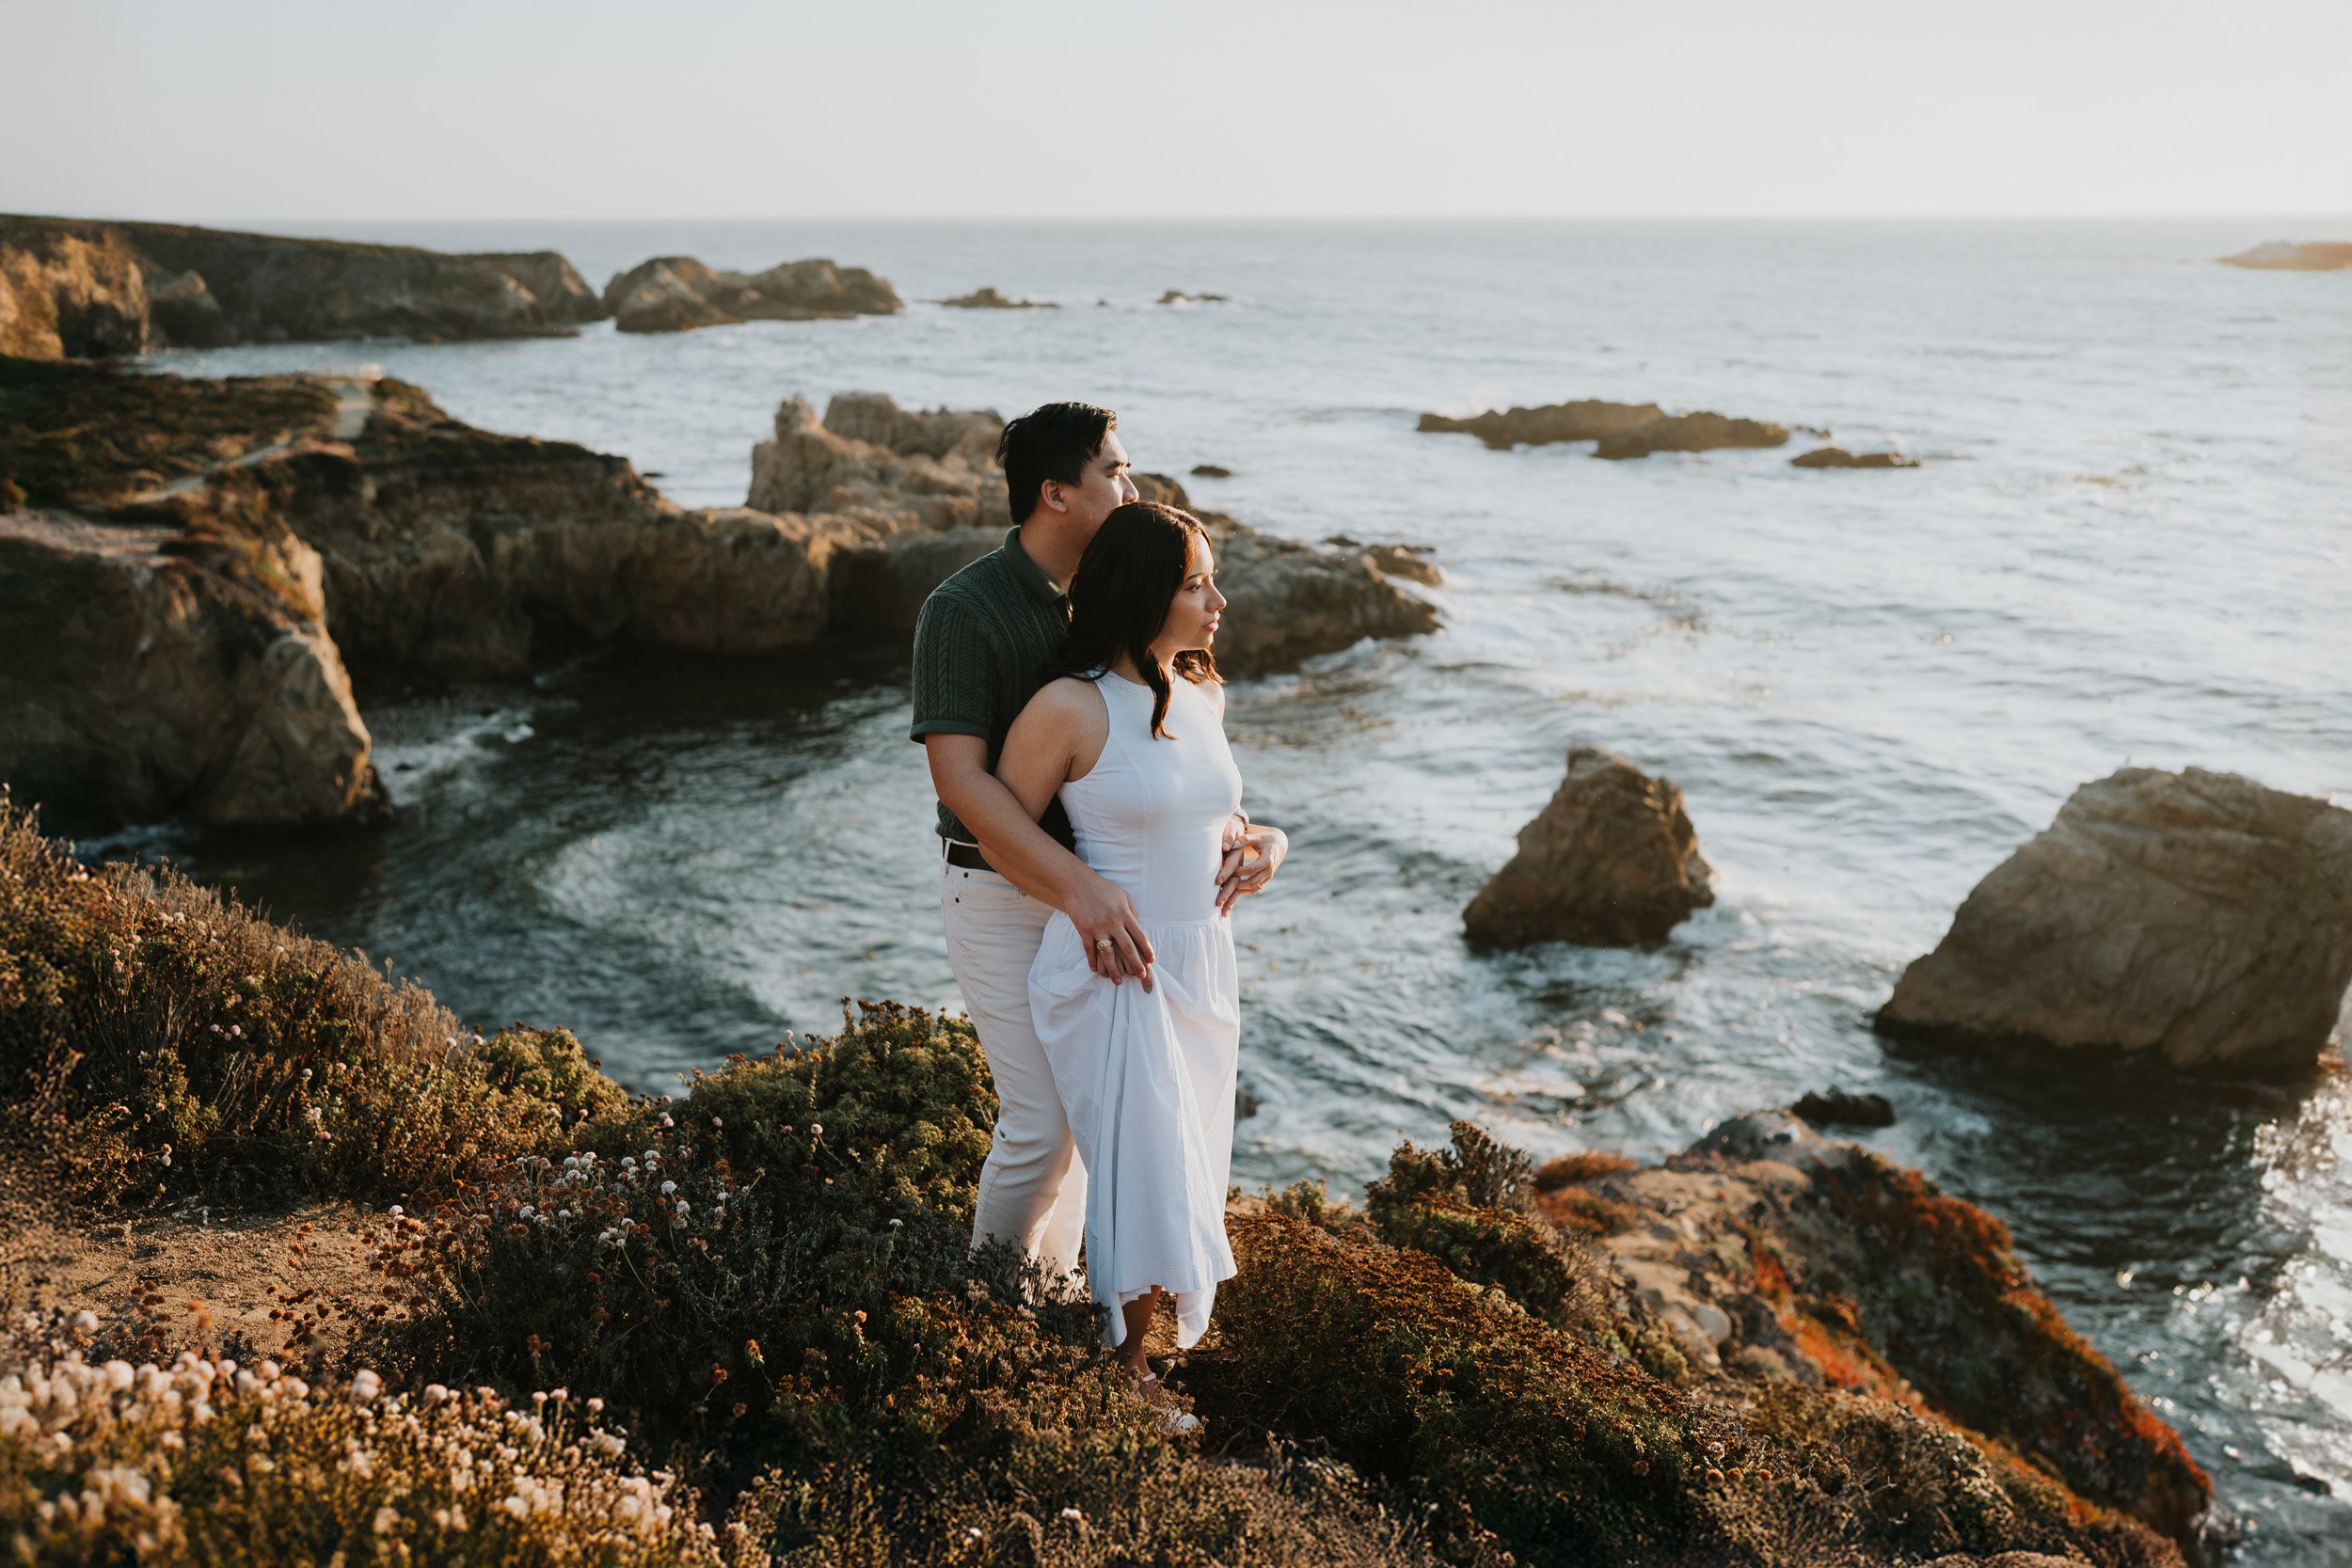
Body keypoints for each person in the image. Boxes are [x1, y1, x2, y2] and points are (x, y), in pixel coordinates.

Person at [911, 405, 1284, 1288]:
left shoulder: (1125, 594)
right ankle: (989, 1308)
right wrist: (1076, 886)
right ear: (1055, 492)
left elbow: (1163, 768)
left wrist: (1257, 834)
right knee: (1042, 1124)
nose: (1132, 486)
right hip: (1001, 893)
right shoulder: (965, 608)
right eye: (1115, 470)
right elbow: (961, 783)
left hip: (1104, 900)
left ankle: (1056, 1296)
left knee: (1095, 1119)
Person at [993, 500, 1284, 1423]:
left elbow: (1215, 815)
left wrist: (1268, 843)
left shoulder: (1203, 694)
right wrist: (1082, 896)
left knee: (1189, 1155)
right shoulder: (1068, 707)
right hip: (1115, 969)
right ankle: (1127, 1372)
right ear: (1144, 592)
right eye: (1198, 584)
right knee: (1148, 1166)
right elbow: (999, 835)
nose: (1218, 601)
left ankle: (1117, 1346)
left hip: (1202, 964)